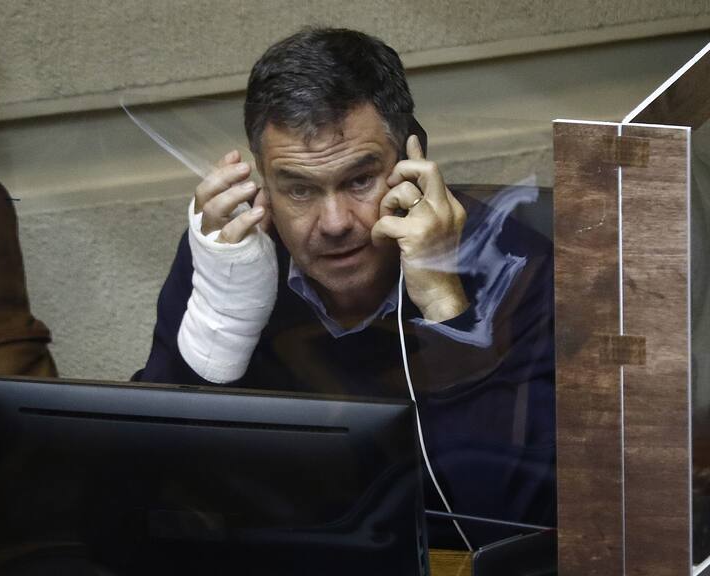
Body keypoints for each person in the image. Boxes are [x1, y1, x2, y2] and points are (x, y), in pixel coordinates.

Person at [134, 27, 555, 548]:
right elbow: (148, 497)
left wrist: (444, 303)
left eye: (358, 181)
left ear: (410, 166)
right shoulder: (235, 256)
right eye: (299, 189)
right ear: (263, 184)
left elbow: (509, 523)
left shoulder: (514, 264)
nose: (334, 223)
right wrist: (220, 321)